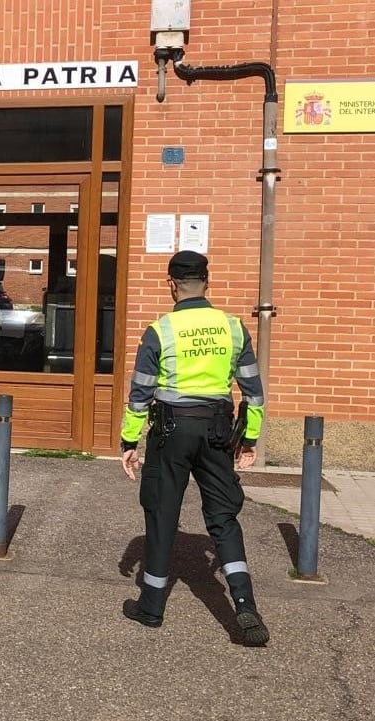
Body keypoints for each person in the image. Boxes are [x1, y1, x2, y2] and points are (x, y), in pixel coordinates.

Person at [119, 250, 269, 646]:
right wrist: (248, 439)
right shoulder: (234, 328)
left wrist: (129, 440)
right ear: (209, 281)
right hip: (218, 431)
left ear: (171, 284)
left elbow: (140, 394)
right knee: (223, 518)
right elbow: (254, 393)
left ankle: (151, 607)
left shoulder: (160, 330)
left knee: (162, 512)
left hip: (170, 432)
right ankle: (243, 602)